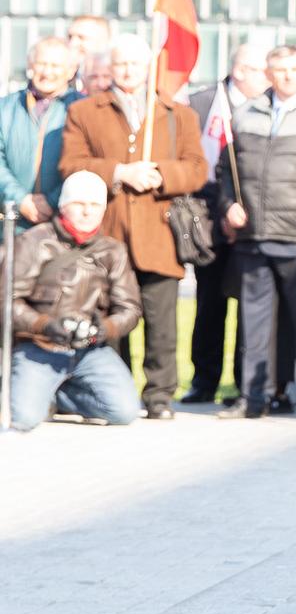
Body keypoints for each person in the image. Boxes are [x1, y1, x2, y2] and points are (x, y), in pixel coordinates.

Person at [58, 33, 209, 420]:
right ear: (110, 68)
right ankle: (114, 393)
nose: (127, 72)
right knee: (111, 321)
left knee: (162, 323)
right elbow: (71, 164)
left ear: (148, 69)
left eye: (135, 65)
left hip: (159, 236)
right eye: (121, 64)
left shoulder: (178, 114)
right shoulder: (86, 111)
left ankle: (159, 396)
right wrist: (120, 172)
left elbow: (196, 168)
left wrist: (160, 175)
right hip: (108, 236)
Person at [215, 45, 296, 421]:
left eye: (293, 69)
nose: (286, 76)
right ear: (268, 74)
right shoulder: (243, 115)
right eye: (279, 70)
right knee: (253, 327)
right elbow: (227, 173)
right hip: (253, 237)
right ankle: (252, 399)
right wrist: (227, 206)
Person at [6, 171, 141, 431]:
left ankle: (58, 395)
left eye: (95, 205)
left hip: (90, 350)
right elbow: (7, 301)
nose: (87, 212)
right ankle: (35, 390)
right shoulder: (33, 241)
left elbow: (130, 308)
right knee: (24, 418)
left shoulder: (113, 250)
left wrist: (106, 328)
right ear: (64, 205)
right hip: (39, 345)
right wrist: (44, 325)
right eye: (79, 204)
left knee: (124, 412)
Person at [182, 43, 271, 404]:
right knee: (209, 307)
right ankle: (203, 381)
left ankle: (241, 385)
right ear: (240, 71)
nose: (268, 80)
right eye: (262, 72)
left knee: (251, 310)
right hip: (211, 226)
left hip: (254, 225)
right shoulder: (202, 104)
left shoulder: (268, 107)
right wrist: (222, 211)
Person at [3, 37, 83, 232]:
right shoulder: (5, 107)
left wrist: (52, 201)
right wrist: (21, 199)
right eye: (41, 64)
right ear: (31, 65)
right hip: (13, 223)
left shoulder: (83, 109)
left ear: (71, 71)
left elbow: (84, 160)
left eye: (56, 65)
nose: (47, 72)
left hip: (63, 224)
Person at [66, 16, 111, 93]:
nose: (72, 43)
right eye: (70, 37)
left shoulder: (116, 80)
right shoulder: (63, 78)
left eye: (81, 37)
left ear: (103, 41)